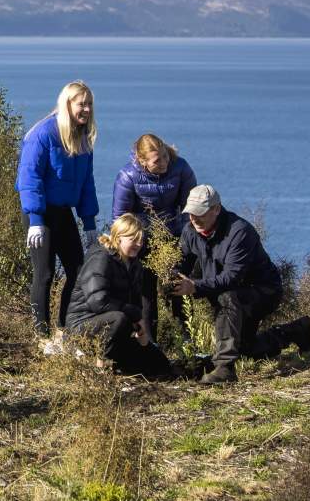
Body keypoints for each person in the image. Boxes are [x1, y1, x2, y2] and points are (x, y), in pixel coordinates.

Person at [172, 184, 310, 384]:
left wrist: (195, 286)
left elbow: (231, 278)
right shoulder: (190, 231)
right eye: (190, 213)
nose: (194, 218)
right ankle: (296, 331)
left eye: (199, 213)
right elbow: (182, 263)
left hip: (264, 291)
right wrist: (173, 277)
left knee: (226, 297)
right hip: (230, 294)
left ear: (216, 209)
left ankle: (224, 368)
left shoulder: (239, 232)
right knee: (245, 349)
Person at [16, 80, 99, 346]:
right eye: (80, 104)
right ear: (67, 104)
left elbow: (87, 183)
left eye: (88, 104)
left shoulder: (83, 138)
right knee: (45, 273)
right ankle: (40, 337)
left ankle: (64, 332)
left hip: (63, 212)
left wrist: (89, 225)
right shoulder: (44, 134)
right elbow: (29, 178)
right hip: (39, 214)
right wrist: (36, 221)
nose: (85, 109)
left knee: (78, 270)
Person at [66, 213, 172, 379]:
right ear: (119, 237)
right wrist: (133, 314)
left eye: (141, 240)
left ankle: (118, 363)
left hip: (116, 328)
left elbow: (136, 304)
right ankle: (101, 364)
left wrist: (141, 332)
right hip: (83, 326)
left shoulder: (135, 265)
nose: (139, 244)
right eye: (133, 239)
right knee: (119, 318)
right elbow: (98, 302)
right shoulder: (100, 259)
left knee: (160, 364)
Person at [112, 132, 197, 339]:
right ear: (142, 160)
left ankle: (188, 343)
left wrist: (186, 238)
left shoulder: (181, 167)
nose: (164, 163)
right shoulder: (128, 176)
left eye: (166, 156)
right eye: (157, 160)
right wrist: (128, 246)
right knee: (146, 295)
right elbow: (121, 218)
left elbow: (190, 207)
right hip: (143, 242)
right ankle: (150, 344)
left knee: (178, 288)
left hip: (174, 237)